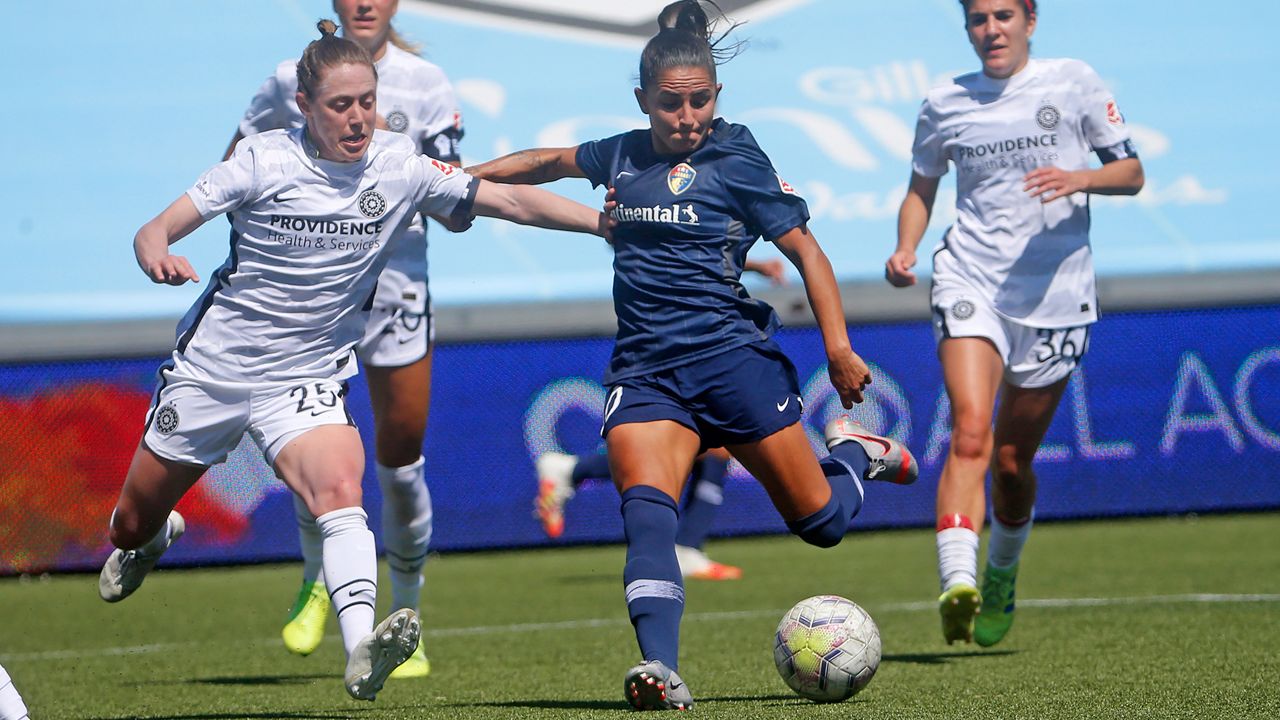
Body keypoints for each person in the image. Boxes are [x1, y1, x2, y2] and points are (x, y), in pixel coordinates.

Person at [98, 20, 606, 702]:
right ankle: (151, 538)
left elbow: (511, 198)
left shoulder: (399, 165)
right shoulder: (261, 160)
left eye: (367, 101)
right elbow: (154, 226)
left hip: (304, 376)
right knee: (128, 522)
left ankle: (363, 645)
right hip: (215, 370)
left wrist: (605, 224)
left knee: (341, 491)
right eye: (341, 104)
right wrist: (156, 250)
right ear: (304, 106)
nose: (359, 117)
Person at [466, 1, 917, 709]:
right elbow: (543, 162)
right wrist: (455, 178)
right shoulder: (620, 153)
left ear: (716, 96)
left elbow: (806, 252)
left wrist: (838, 348)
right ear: (643, 100)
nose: (685, 116)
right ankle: (660, 669)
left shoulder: (738, 156)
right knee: (647, 515)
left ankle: (858, 453)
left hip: (734, 362)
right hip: (646, 373)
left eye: (698, 101)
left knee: (822, 525)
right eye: (670, 103)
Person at [884, 0, 1144, 647]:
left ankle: (1001, 571)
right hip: (970, 276)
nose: (990, 29)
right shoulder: (944, 100)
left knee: (1009, 462)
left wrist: (1078, 177)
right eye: (978, 19)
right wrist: (906, 248)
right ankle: (956, 580)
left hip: (1057, 295)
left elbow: (1132, 172)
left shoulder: (1073, 81)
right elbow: (922, 188)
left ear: (1031, 18)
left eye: (1003, 15)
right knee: (970, 429)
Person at [225, 0, 463, 677]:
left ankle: (406, 616)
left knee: (400, 462)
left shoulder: (426, 83)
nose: (364, 3)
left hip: (395, 290)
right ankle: (316, 576)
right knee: (316, 448)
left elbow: (451, 203)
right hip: (308, 294)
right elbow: (236, 174)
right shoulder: (285, 81)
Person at [535, 259, 787, 581]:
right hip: (678, 336)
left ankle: (572, 472)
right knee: (699, 447)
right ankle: (684, 548)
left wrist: (752, 267)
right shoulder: (663, 227)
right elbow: (687, 245)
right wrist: (754, 265)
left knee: (706, 448)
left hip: (677, 332)